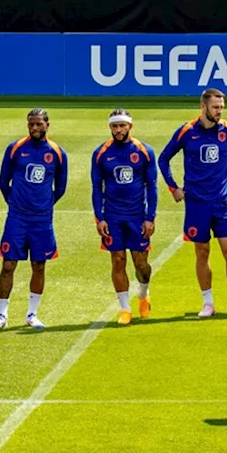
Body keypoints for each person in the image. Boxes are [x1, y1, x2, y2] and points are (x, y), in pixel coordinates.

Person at [160, 88, 227, 319]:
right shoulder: (186, 131)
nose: (219, 111)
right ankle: (208, 303)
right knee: (202, 252)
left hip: (222, 203)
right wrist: (173, 187)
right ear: (203, 107)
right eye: (215, 107)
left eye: (221, 107)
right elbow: (163, 158)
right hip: (196, 204)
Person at [0, 108, 68, 331]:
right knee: (8, 264)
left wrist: (44, 204)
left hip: (42, 219)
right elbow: (3, 182)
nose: (34, 128)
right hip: (17, 217)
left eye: (38, 124)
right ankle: (1, 314)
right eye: (31, 125)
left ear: (47, 125)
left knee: (39, 264)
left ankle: (32, 314)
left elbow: (60, 187)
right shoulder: (15, 149)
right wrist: (15, 203)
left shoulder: (57, 153)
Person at [91, 109, 158, 325]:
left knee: (141, 264)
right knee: (118, 260)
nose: (118, 130)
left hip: (137, 216)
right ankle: (124, 308)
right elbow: (96, 187)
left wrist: (150, 217)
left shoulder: (144, 151)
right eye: (114, 126)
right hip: (113, 216)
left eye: (122, 125)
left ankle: (143, 293)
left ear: (130, 126)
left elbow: (152, 186)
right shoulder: (101, 153)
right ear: (110, 127)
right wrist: (99, 218)